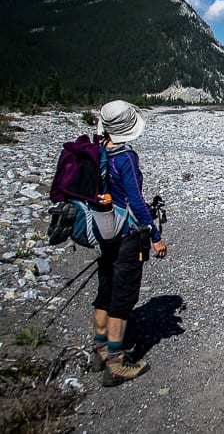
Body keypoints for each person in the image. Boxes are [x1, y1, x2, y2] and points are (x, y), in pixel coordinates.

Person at [89, 100, 168, 387]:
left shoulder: (98, 150)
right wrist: (156, 237)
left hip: (102, 227)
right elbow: (135, 200)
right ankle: (116, 363)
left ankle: (99, 350)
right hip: (127, 233)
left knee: (105, 289)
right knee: (122, 299)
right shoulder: (126, 157)